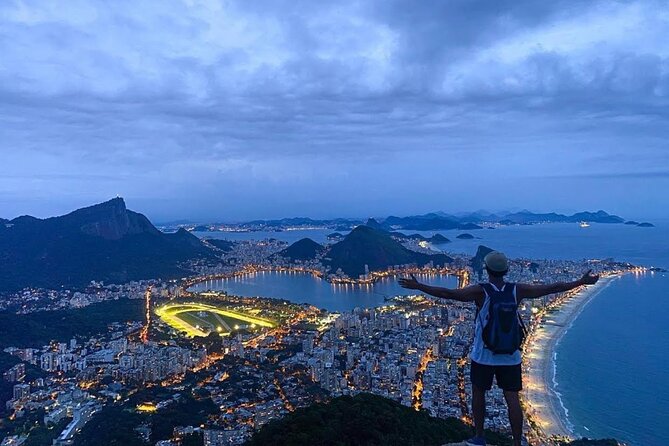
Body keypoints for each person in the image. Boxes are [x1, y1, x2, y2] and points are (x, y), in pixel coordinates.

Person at [398, 251, 599, 446]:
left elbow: (448, 293)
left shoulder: (480, 291)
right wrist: (581, 282)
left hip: (483, 354)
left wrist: (418, 286)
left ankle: (479, 437)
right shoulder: (517, 289)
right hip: (511, 356)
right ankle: (517, 442)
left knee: (478, 393)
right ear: (507, 269)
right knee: (512, 397)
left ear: (486, 269)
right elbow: (550, 288)